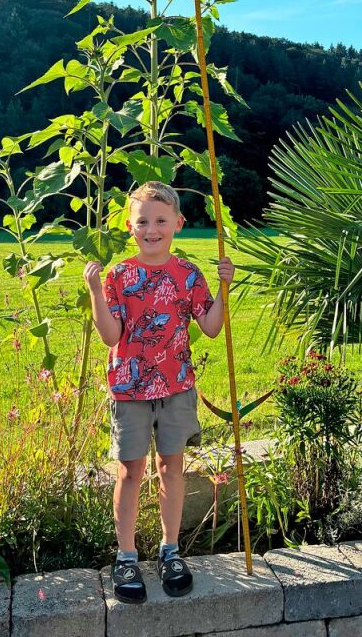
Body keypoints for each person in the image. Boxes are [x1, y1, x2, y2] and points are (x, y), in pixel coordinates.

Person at [83, 181, 234, 604]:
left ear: (178, 224)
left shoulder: (188, 275)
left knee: (171, 468)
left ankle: (171, 550)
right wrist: (95, 292)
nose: (152, 228)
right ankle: (126, 555)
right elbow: (111, 335)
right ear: (130, 226)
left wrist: (224, 287)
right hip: (129, 389)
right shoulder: (118, 276)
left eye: (161, 220)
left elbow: (211, 327)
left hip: (176, 386)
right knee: (130, 471)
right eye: (143, 220)